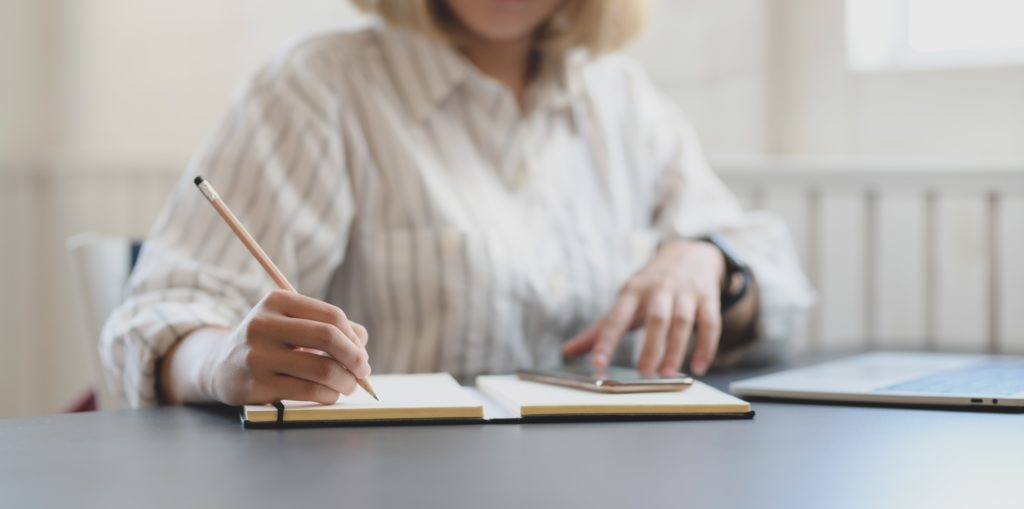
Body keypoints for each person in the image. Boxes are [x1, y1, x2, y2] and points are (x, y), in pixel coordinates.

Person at [101, 0, 814, 408]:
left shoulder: (621, 99)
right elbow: (155, 315)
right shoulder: (319, 88)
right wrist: (220, 364)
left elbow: (783, 291)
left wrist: (712, 263)